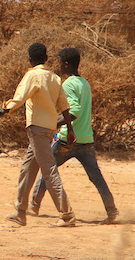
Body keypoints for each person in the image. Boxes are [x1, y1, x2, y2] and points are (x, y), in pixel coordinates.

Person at [0, 42, 77, 227]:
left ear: (30, 59)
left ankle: (67, 215)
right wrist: (70, 129)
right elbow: (64, 106)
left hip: (37, 128)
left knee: (49, 170)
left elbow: (19, 98)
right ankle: (20, 211)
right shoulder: (54, 78)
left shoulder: (32, 75)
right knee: (27, 168)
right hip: (48, 129)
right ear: (46, 59)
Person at [28, 48, 118, 225]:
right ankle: (112, 210)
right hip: (87, 139)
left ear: (67, 64)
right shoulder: (84, 82)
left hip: (67, 140)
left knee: (48, 171)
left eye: (60, 62)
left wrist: (54, 124)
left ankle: (33, 206)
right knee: (96, 177)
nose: (59, 65)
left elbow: (74, 111)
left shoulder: (68, 84)